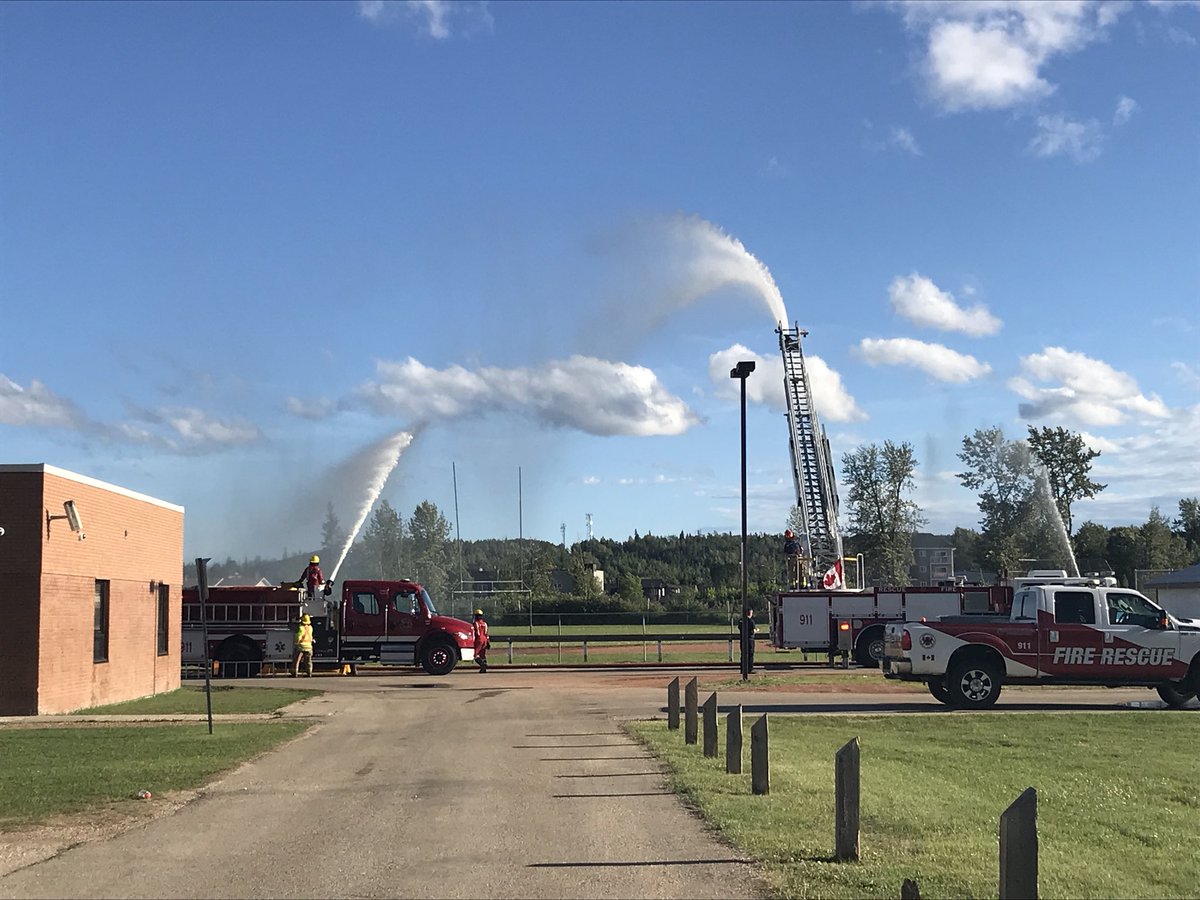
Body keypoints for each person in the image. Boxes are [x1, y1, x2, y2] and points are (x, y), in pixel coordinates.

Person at [739, 607, 758, 673]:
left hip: (743, 639)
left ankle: (742, 669)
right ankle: (750, 669)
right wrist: (757, 630)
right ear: (750, 613)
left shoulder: (741, 620)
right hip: (750, 640)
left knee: (743, 654)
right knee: (750, 654)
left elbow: (739, 628)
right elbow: (752, 631)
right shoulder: (751, 621)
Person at [472, 608, 490, 673]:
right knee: (483, 655)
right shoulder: (485, 624)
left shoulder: (475, 624)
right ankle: (484, 669)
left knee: (475, 655)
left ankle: (482, 665)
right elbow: (486, 633)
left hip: (479, 639)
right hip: (485, 639)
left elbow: (475, 633)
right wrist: (488, 642)